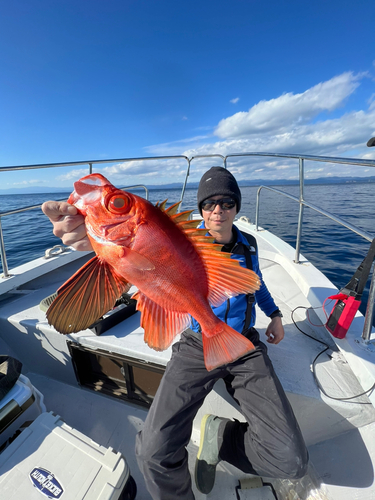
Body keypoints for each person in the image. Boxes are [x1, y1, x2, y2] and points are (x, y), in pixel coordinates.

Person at [42, 167, 308, 500]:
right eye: (209, 203)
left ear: (236, 207)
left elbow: (258, 283)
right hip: (197, 343)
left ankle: (220, 436)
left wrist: (276, 315)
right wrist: (93, 239)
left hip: (243, 343)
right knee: (152, 452)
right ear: (201, 209)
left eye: (226, 202)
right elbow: (146, 249)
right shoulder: (182, 238)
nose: (218, 210)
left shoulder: (248, 245)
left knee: (291, 461)